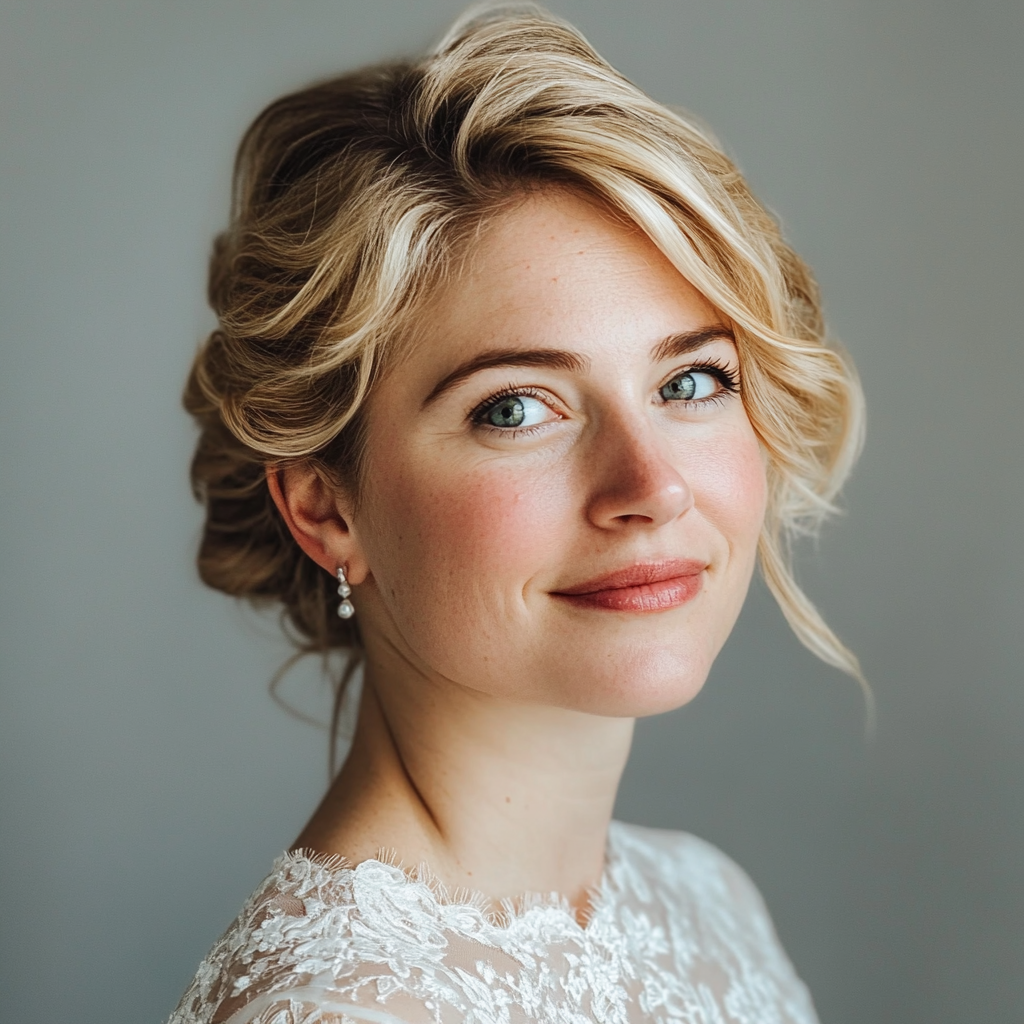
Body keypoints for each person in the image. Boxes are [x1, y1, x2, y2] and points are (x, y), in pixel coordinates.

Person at [168, 5, 864, 1022]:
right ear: (325, 507)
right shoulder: (334, 1010)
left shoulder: (708, 903)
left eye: (690, 382)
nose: (651, 485)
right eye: (514, 407)